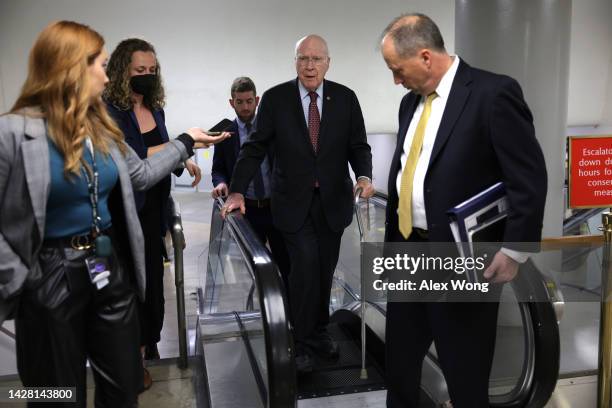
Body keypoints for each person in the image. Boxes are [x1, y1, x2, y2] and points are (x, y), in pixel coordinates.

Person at [0, 21, 229, 407]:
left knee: (124, 384)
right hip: (49, 272)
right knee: (53, 392)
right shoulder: (12, 133)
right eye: (103, 66)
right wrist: (18, 282)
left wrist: (187, 142)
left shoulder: (100, 127)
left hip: (104, 263)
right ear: (71, 66)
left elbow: (139, 174)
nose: (109, 77)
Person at [379, 13, 547, 407]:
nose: (395, 80)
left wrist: (514, 250)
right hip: (408, 256)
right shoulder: (409, 105)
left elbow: (529, 177)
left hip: (462, 261)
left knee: (465, 370)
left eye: (397, 70)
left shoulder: (493, 94)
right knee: (400, 365)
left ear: (424, 57)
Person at [223, 35, 375, 373]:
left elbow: (358, 146)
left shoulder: (345, 99)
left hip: (332, 204)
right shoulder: (277, 99)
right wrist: (236, 190)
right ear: (295, 62)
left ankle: (319, 330)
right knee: (304, 266)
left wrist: (363, 176)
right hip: (292, 203)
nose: (310, 65)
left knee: (324, 271)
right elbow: (255, 147)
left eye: (317, 59)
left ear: (327, 63)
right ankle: (300, 341)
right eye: (303, 58)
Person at [103, 39, 200, 384]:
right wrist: (184, 143)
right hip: (126, 216)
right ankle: (133, 357)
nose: (146, 76)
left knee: (154, 294)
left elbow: (158, 153)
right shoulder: (110, 112)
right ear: (120, 72)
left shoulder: (155, 107)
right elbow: (137, 158)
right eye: (138, 71)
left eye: (151, 70)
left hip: (156, 213)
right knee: (130, 290)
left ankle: (147, 346)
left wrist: (182, 157)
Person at [211, 77, 290, 289]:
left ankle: (290, 313)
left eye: (249, 101)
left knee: (287, 264)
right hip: (247, 211)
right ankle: (268, 309)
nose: (245, 107)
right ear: (231, 103)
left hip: (276, 208)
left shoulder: (273, 129)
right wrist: (220, 183)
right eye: (239, 102)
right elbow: (218, 168)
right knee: (257, 267)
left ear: (257, 100)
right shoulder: (224, 133)